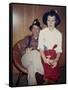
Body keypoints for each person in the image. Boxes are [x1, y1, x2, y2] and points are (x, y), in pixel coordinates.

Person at [38, 10, 62, 84]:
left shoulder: (59, 34)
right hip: (44, 55)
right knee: (46, 76)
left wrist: (56, 60)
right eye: (48, 20)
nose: (50, 23)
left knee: (54, 76)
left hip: (54, 56)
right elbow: (40, 47)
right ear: (46, 21)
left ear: (56, 21)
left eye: (52, 20)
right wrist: (44, 59)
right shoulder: (42, 32)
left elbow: (59, 50)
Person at [21, 19, 44, 85]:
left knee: (31, 68)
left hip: (36, 62)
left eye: (37, 29)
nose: (35, 30)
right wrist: (26, 51)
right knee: (34, 53)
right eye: (33, 28)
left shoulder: (42, 40)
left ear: (40, 30)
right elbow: (20, 50)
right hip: (26, 59)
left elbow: (45, 51)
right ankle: (42, 73)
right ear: (31, 30)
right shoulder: (27, 38)